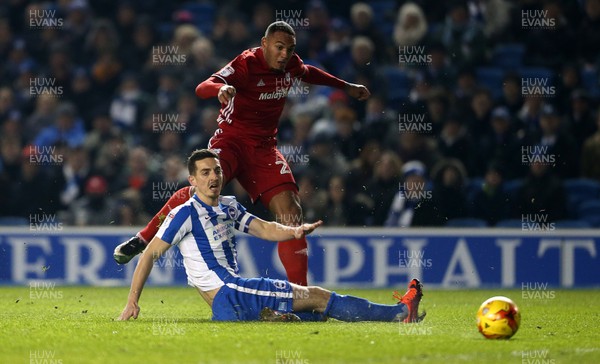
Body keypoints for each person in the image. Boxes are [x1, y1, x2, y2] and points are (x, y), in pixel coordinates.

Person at [114, 21, 371, 286]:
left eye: (290, 49)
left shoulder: (291, 64)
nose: (284, 55)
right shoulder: (246, 64)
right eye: (279, 48)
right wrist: (221, 89)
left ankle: (302, 298)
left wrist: (345, 86)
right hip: (231, 142)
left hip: (263, 149)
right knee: (198, 192)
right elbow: (202, 87)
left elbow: (307, 73)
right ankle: (144, 238)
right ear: (264, 44)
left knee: (291, 213)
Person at [117, 149, 424, 322]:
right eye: (206, 172)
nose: (214, 177)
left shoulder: (228, 206)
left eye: (217, 171)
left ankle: (270, 316)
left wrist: (295, 230)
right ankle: (399, 313)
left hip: (232, 299)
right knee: (317, 296)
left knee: (315, 315)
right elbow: (149, 254)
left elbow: (263, 228)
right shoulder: (184, 212)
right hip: (231, 292)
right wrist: (132, 303)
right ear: (192, 179)